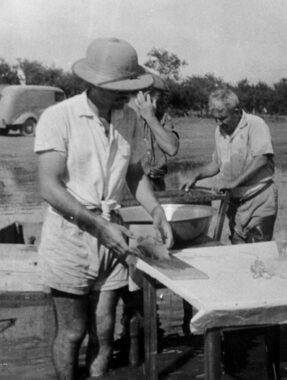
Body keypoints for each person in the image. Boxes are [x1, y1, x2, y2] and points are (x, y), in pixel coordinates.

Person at [34, 37, 173, 379]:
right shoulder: (59, 117)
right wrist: (98, 226)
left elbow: (135, 172)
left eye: (131, 87)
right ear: (93, 83)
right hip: (71, 235)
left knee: (105, 327)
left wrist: (156, 210)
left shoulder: (128, 119)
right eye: (119, 88)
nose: (126, 95)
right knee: (72, 331)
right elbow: (49, 187)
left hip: (113, 233)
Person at [180, 88, 277, 243]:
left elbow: (262, 158)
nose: (218, 123)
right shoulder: (219, 131)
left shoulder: (255, 124)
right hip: (234, 201)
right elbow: (217, 164)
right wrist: (196, 176)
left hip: (258, 199)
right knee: (237, 248)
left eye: (223, 118)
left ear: (236, 111)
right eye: (215, 119)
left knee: (259, 249)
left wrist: (233, 183)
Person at [129, 73, 179, 191]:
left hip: (157, 184)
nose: (155, 106)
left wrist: (150, 118)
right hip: (131, 186)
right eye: (151, 100)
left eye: (159, 101)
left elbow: (172, 149)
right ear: (140, 95)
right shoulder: (123, 117)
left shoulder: (162, 117)